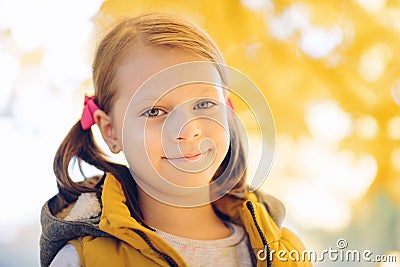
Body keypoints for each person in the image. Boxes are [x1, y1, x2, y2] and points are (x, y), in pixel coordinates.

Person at [40, 13, 311, 267]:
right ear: (111, 131)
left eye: (204, 103)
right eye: (155, 111)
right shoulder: (85, 259)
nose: (188, 129)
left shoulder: (284, 252)